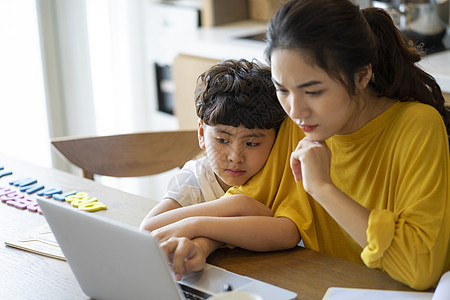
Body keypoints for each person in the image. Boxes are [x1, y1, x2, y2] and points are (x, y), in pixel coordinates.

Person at [158, 0, 450, 290]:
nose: (296, 109)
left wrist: (323, 188)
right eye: (282, 89)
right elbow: (246, 210)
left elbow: (420, 269)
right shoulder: (298, 125)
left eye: (313, 91)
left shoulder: (416, 126)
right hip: (319, 285)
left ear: (362, 75)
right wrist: (202, 245)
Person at [140, 59, 299, 280]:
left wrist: (198, 226)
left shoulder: (275, 175)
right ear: (201, 134)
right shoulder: (194, 180)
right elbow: (149, 229)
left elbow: (288, 234)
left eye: (252, 143)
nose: (235, 157)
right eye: (222, 139)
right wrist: (237, 207)